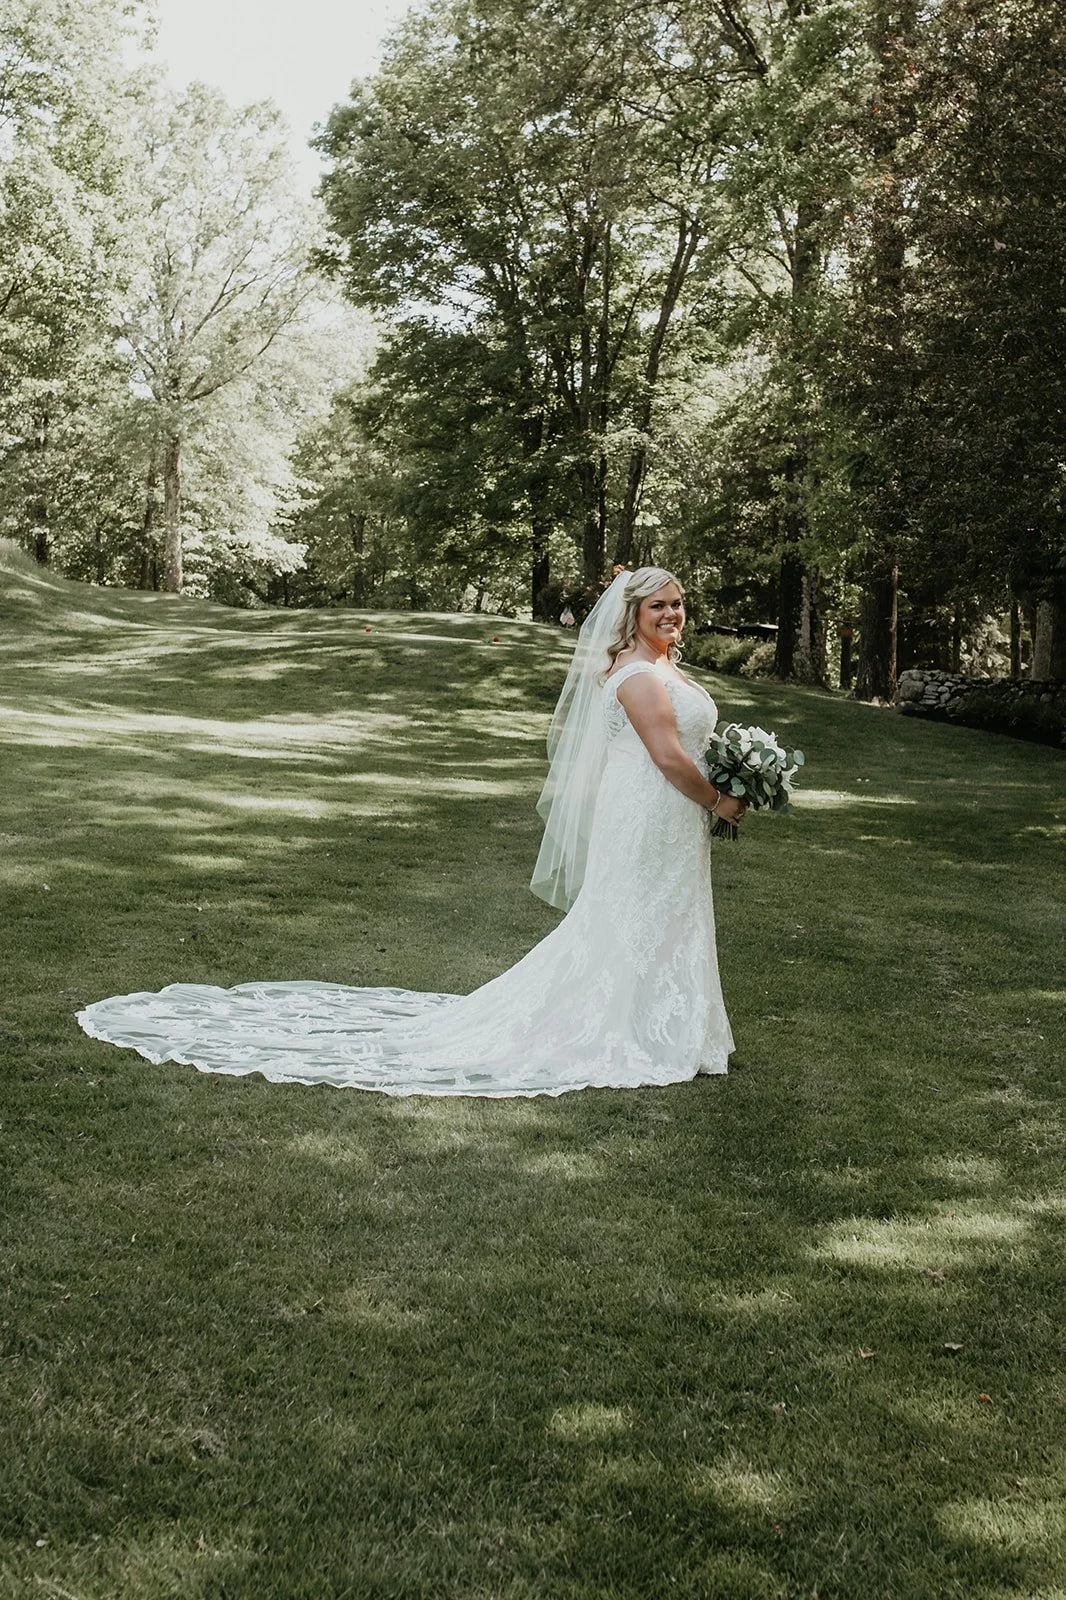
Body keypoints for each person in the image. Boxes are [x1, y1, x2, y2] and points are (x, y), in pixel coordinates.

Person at [77, 568, 745, 1097]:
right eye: (658, 606)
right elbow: (667, 758)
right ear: (632, 614)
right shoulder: (638, 676)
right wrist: (721, 799)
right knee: (631, 915)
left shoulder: (660, 668)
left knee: (661, 912)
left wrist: (730, 775)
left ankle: (668, 1029)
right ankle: (632, 1031)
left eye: (677, 604)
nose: (671, 614)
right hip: (650, 808)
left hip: (664, 812)